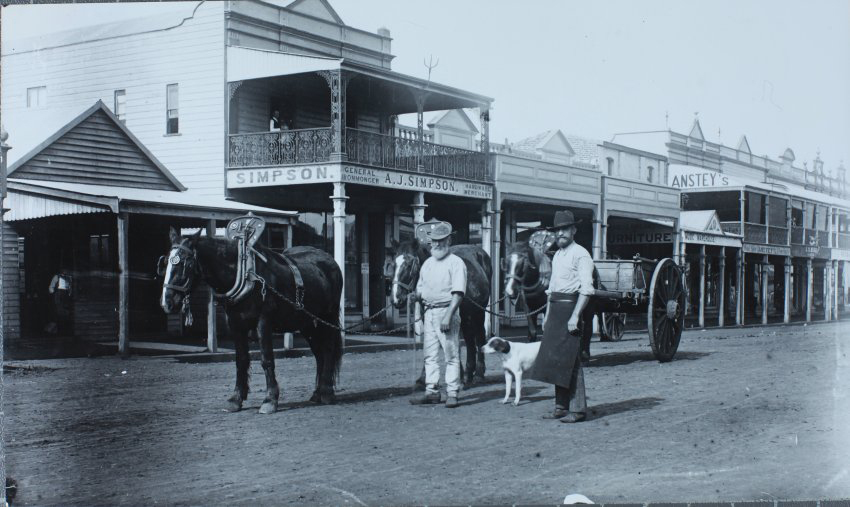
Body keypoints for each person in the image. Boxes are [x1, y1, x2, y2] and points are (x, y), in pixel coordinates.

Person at [528, 210, 594, 423]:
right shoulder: (557, 255)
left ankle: (578, 409)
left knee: (572, 361)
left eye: (565, 229)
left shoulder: (581, 254)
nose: (561, 234)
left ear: (574, 230)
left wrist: (575, 316)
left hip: (570, 310)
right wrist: (547, 314)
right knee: (556, 360)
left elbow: (586, 289)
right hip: (555, 311)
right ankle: (560, 406)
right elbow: (552, 287)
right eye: (557, 230)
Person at [410, 221, 467, 409]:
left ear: (449, 240)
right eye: (433, 241)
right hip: (429, 312)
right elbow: (420, 289)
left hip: (446, 312)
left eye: (441, 240)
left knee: (451, 354)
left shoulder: (456, 263)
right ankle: (432, 391)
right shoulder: (427, 264)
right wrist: (415, 297)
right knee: (430, 355)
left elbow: (458, 293)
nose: (436, 244)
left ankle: (452, 392)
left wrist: (448, 316)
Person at [48, 268, 73, 336]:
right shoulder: (57, 276)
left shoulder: (69, 277)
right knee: (57, 313)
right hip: (58, 296)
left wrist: (69, 294)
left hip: (65, 297)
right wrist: (54, 294)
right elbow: (51, 286)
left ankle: (64, 331)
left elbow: (70, 287)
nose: (65, 271)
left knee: (65, 313)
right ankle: (56, 332)